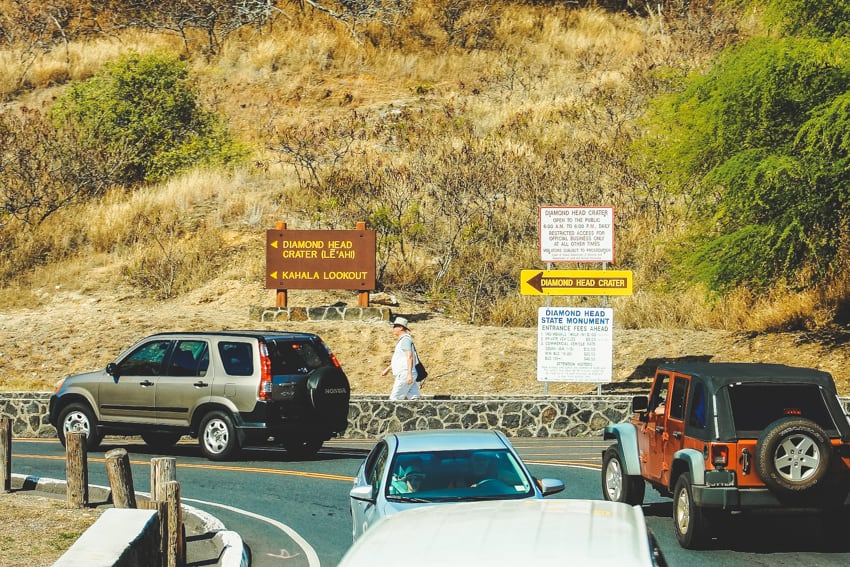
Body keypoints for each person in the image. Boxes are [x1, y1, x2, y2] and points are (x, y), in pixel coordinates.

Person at [381, 316, 421, 401]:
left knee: (394, 399)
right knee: (414, 397)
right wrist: (388, 369)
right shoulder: (404, 340)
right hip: (409, 372)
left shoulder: (405, 340)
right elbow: (400, 359)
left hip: (405, 373)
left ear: (401, 327)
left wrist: (409, 374)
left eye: (395, 326)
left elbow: (409, 357)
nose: (393, 329)